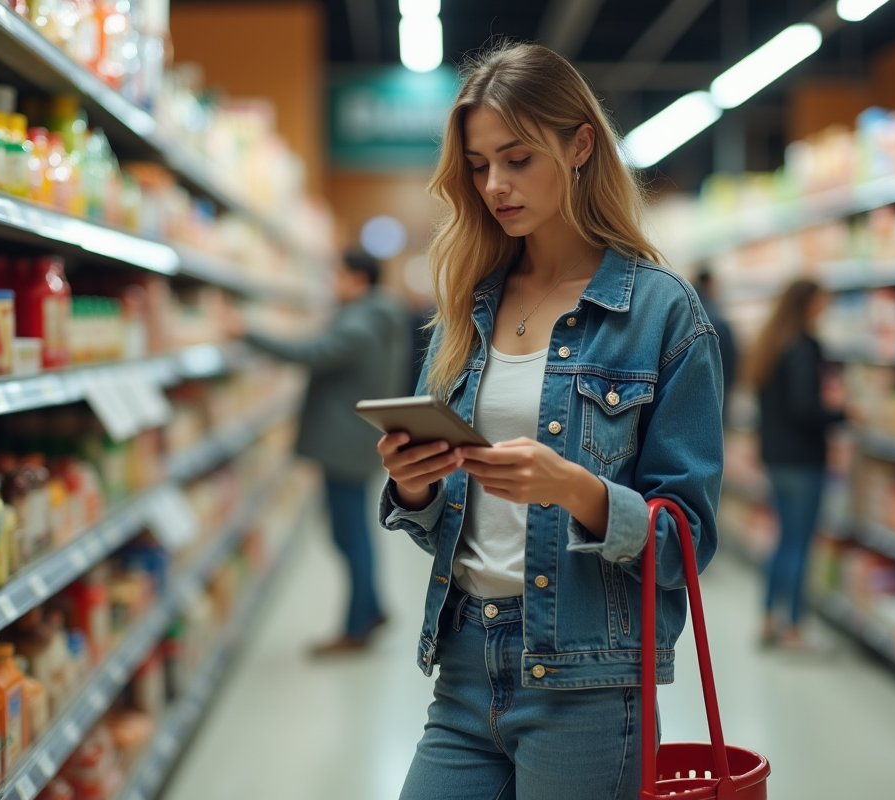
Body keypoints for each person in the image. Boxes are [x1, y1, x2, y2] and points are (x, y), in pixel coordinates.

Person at [374, 43, 723, 800]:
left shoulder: (663, 314)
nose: (495, 185)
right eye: (477, 164)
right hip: (465, 664)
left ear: (580, 145)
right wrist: (415, 490)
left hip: (589, 680)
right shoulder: (470, 305)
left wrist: (576, 489)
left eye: (518, 158)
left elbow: (688, 544)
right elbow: (454, 519)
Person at [231, 249, 410, 655]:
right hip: (354, 440)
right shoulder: (377, 315)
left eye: (338, 273)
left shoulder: (361, 323)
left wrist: (247, 330)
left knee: (350, 534)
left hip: (345, 444)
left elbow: (308, 354)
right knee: (350, 532)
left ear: (358, 280)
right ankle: (372, 608)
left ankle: (356, 628)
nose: (332, 282)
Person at [746, 279, 843, 649]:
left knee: (784, 540)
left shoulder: (772, 343)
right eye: (822, 299)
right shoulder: (802, 348)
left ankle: (770, 618)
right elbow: (805, 407)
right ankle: (796, 628)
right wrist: (841, 414)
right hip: (802, 461)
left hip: (777, 459)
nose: (826, 305)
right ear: (808, 303)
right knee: (800, 544)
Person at [694, 266, 738, 426]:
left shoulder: (688, 311)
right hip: (717, 385)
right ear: (709, 284)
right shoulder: (716, 318)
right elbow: (731, 356)